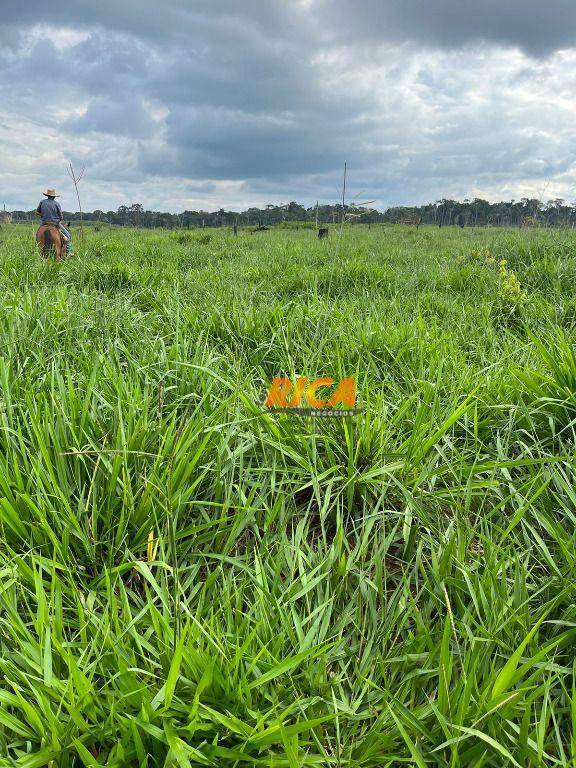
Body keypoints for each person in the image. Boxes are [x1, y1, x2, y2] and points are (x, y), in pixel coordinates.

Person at [35, 189, 73, 254]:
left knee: (36, 236)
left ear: (47, 195)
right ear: (54, 196)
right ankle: (69, 251)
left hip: (44, 223)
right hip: (55, 224)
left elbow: (37, 213)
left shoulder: (42, 202)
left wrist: (43, 215)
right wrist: (59, 219)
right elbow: (61, 217)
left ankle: (37, 249)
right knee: (68, 235)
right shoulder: (56, 204)